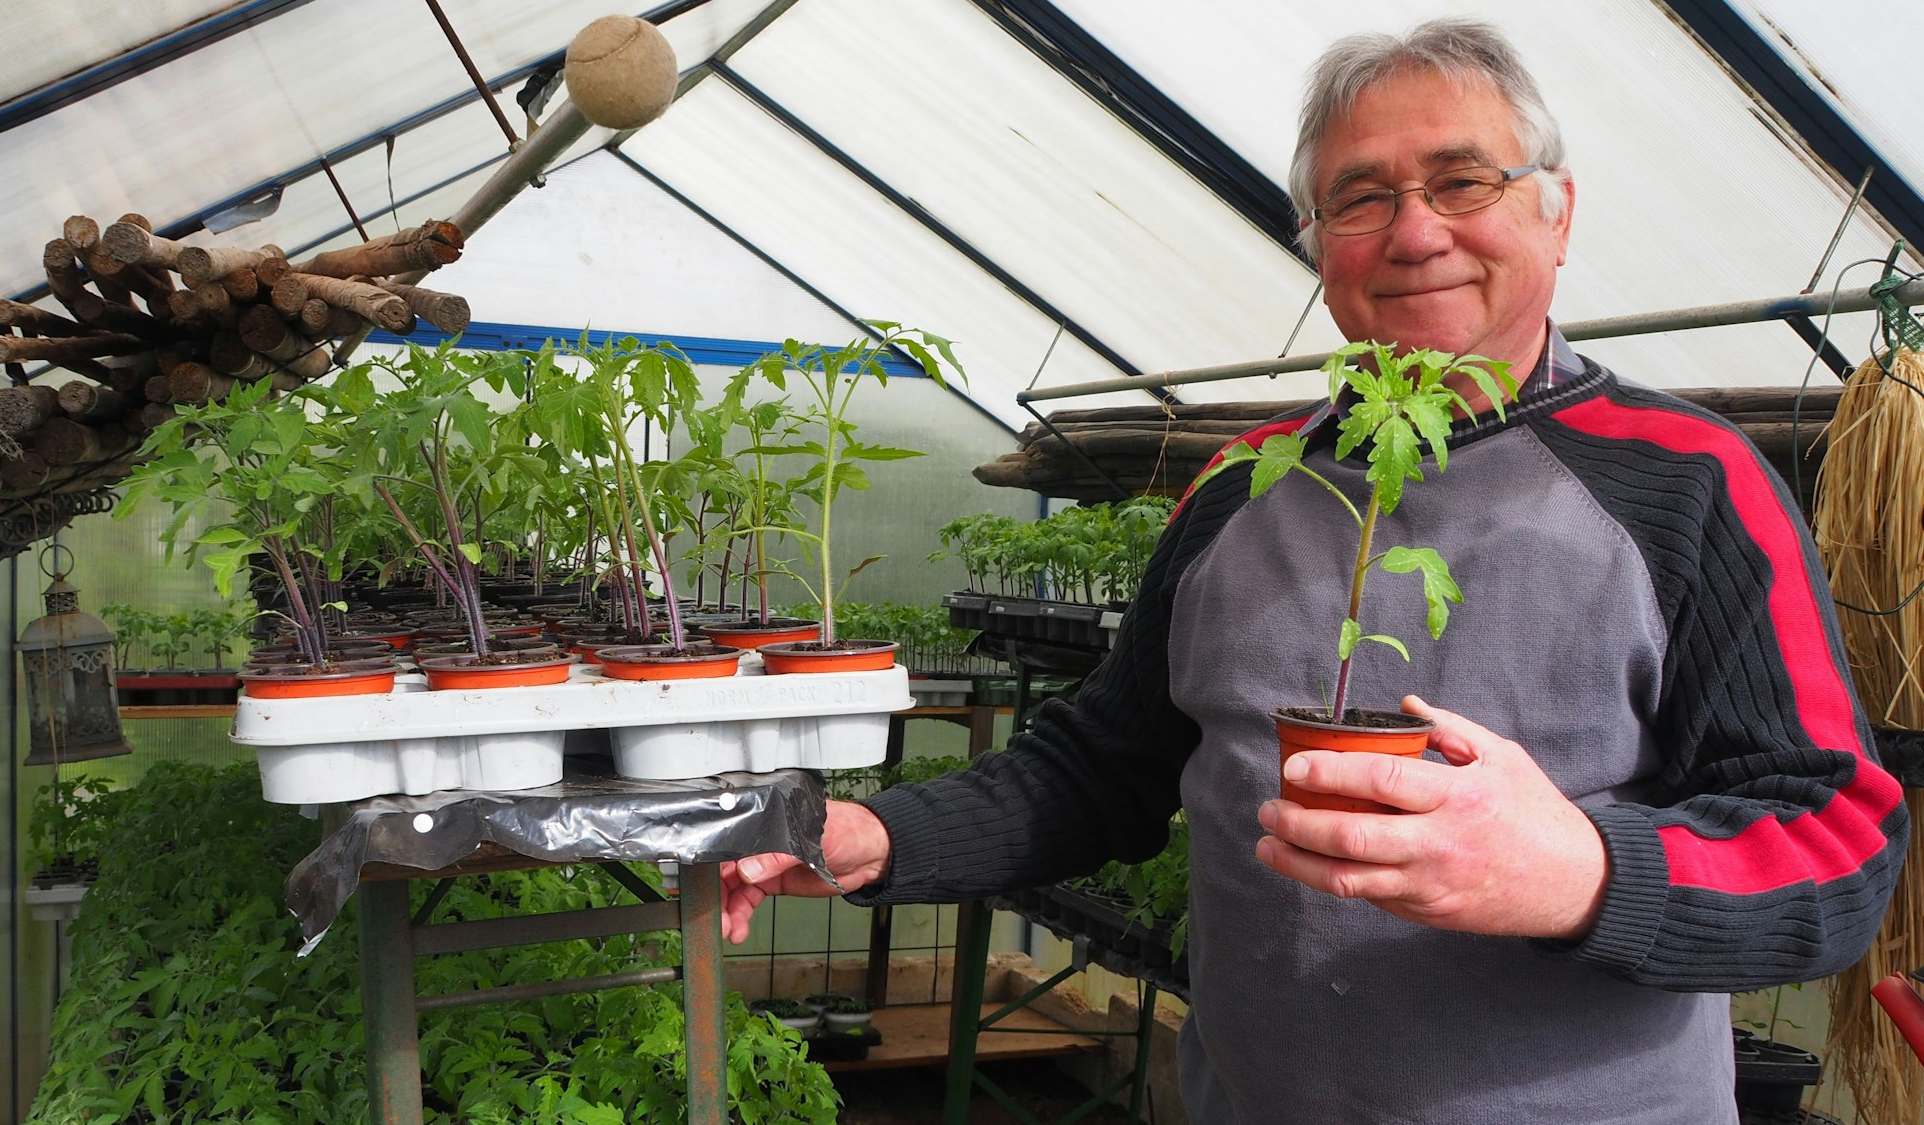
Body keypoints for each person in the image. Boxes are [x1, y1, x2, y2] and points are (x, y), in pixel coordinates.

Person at [721, 17, 1910, 1123]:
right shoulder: (1240, 487)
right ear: (1318, 248)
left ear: (1555, 216)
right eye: (1360, 198)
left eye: (1462, 181)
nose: (1413, 232)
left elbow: (1834, 841)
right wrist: (874, 835)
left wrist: (1582, 873)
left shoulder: (1686, 483)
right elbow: (1103, 768)